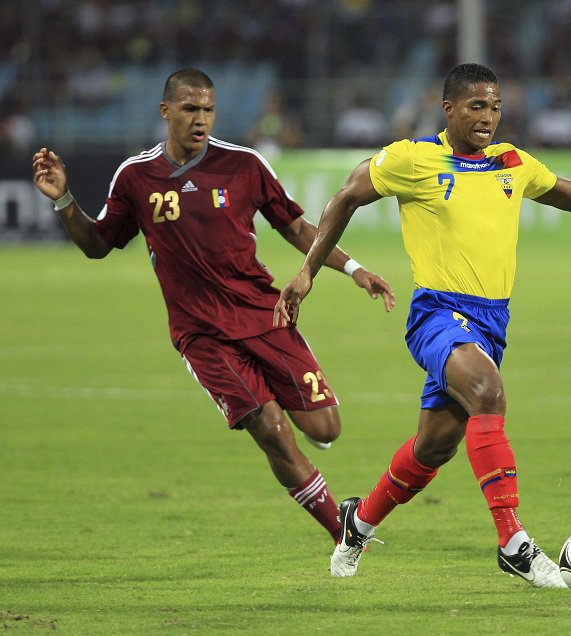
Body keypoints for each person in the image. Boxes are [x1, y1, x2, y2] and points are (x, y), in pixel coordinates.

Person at [273, 63, 571, 587]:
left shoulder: (513, 162)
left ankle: (359, 522)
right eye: (477, 106)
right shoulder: (412, 159)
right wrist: (308, 272)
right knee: (487, 391)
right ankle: (513, 543)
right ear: (450, 109)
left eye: (496, 107)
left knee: (433, 446)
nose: (489, 117)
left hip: (490, 323)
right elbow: (346, 196)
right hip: (438, 314)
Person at [31, 68, 396, 547]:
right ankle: (343, 532)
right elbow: (98, 244)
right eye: (189, 109)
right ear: (166, 112)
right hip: (201, 333)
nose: (200, 119)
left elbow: (297, 228)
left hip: (264, 316)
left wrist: (354, 270)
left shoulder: (244, 165)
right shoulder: (136, 176)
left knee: (325, 430)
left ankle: (331, 500)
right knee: (270, 428)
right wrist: (65, 202)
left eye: (207, 110)